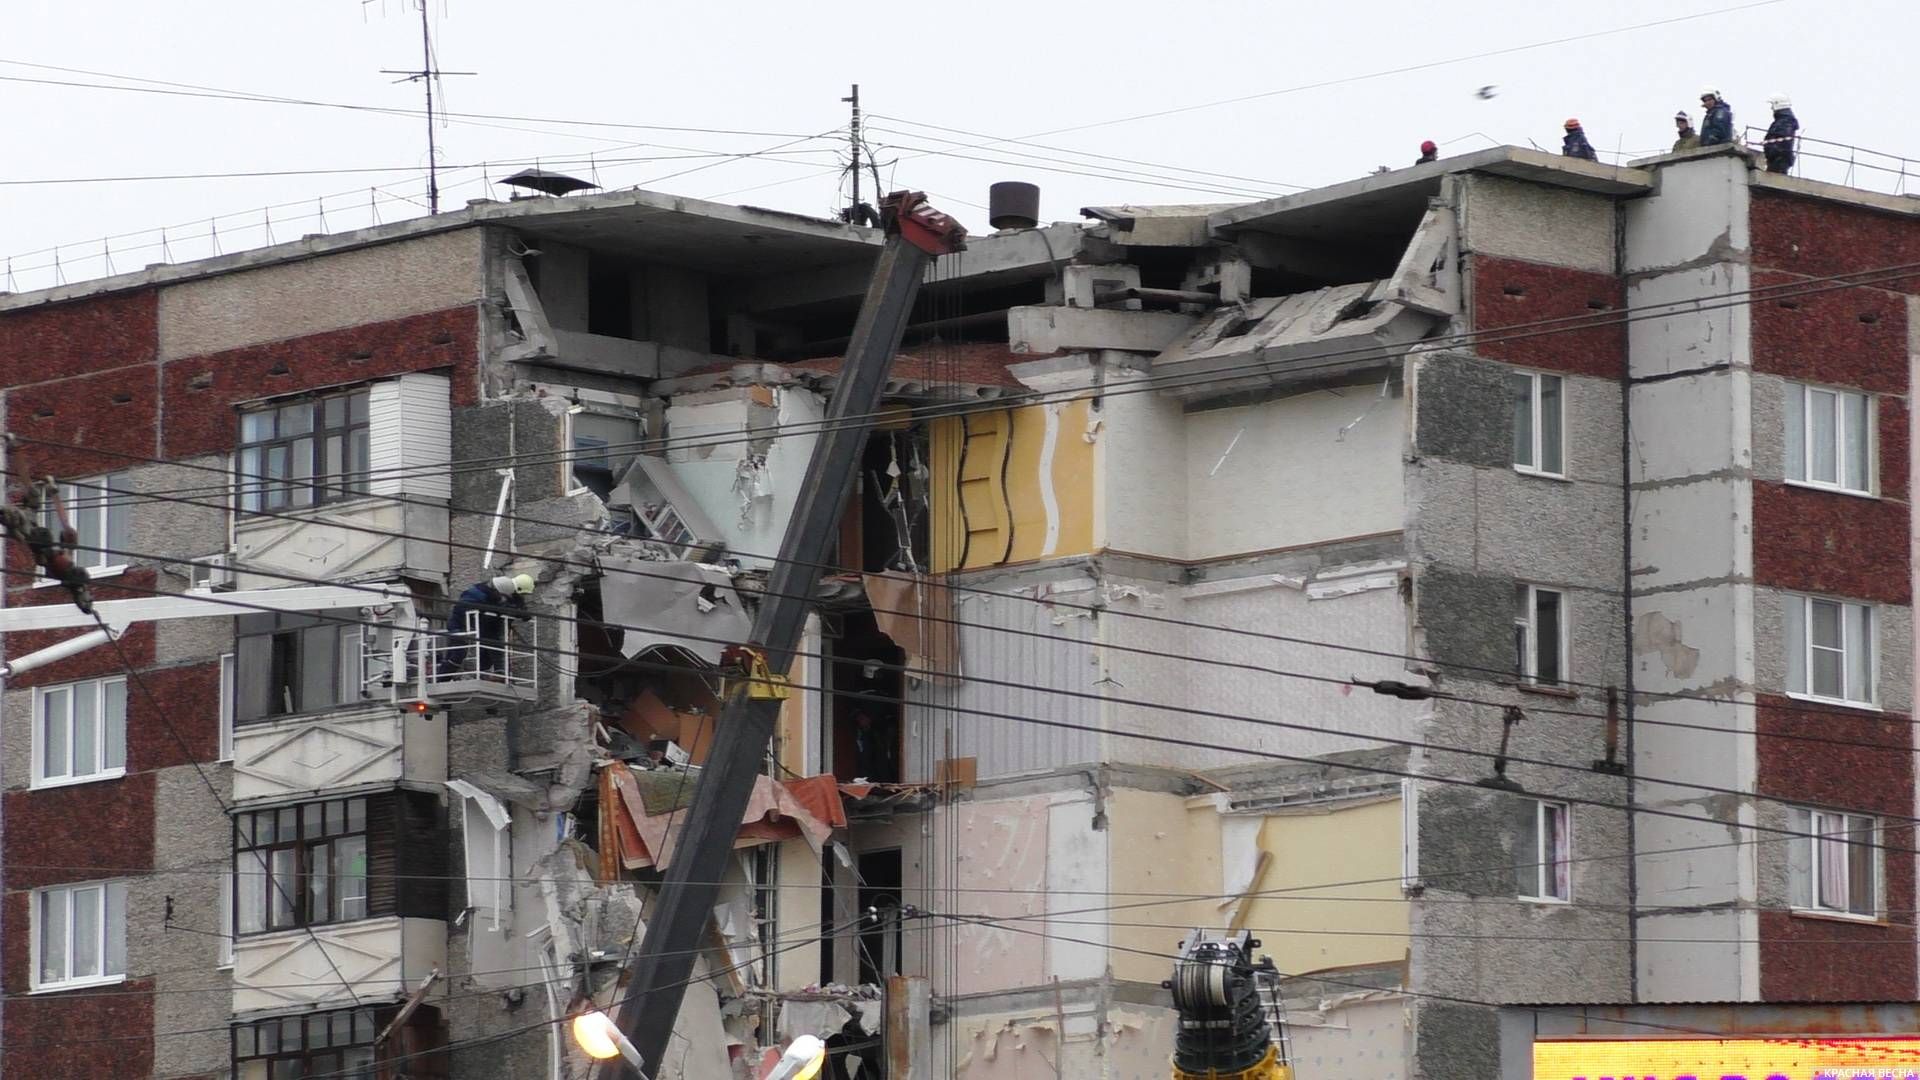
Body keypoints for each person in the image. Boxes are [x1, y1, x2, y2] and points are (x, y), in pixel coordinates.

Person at [444, 572, 534, 675]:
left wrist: (522, 613)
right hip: (461, 622)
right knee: (457, 654)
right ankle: (442, 677)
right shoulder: (490, 595)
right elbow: (502, 608)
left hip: (479, 623)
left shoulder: (501, 592)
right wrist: (517, 612)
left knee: (489, 643)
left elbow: (517, 608)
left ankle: (488, 672)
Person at [1763, 94, 1800, 174]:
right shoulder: (1783, 120)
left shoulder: (1785, 121)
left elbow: (1782, 142)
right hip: (1777, 159)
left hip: (1779, 160)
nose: (1771, 108)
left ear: (1777, 104)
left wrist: (1773, 152)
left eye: (1772, 105)